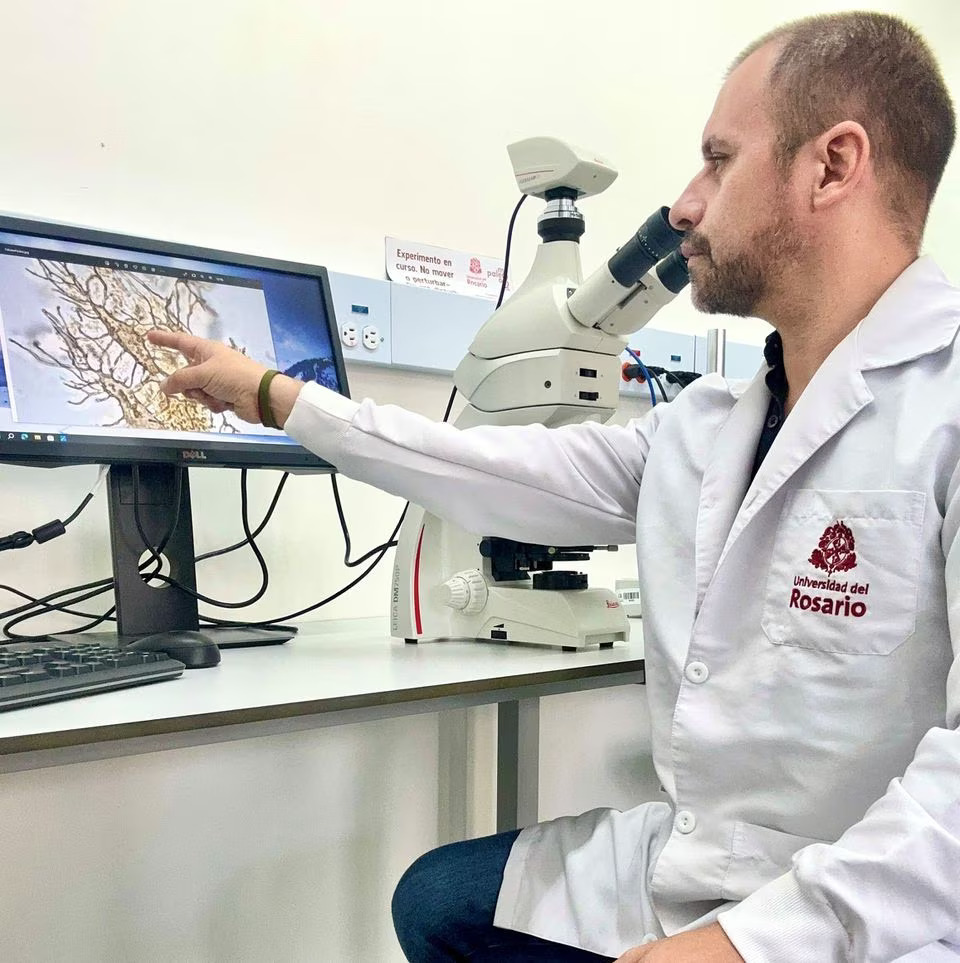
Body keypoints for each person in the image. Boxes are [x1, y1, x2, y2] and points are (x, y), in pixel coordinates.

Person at [147, 10, 959, 961]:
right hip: (708, 858)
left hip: (878, 899)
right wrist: (282, 398)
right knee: (437, 900)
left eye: (718, 160)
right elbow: (499, 471)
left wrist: (749, 944)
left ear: (832, 165)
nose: (687, 205)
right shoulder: (708, 423)